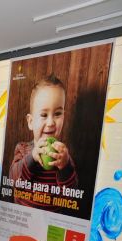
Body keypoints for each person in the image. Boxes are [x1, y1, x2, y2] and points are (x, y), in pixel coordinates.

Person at [9, 74, 77, 209]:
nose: (51, 122)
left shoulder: (62, 155)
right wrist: (32, 158)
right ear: (30, 122)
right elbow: (12, 180)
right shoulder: (22, 149)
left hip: (50, 224)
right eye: (44, 115)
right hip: (24, 220)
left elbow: (71, 193)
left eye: (57, 114)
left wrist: (65, 166)